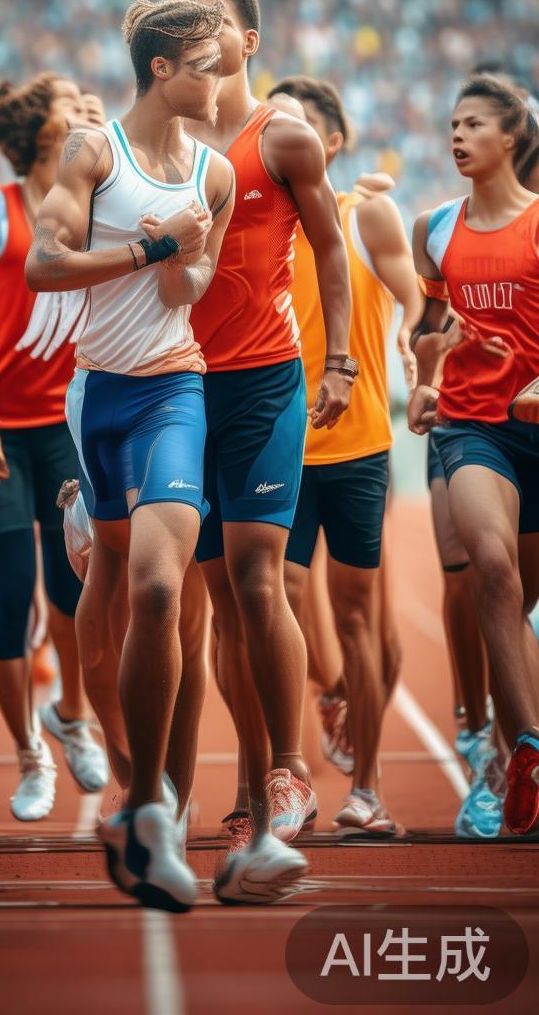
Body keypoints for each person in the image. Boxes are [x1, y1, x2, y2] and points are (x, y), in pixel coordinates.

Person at [25, 0, 234, 912]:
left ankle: (154, 807)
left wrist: (181, 256)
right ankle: (118, 766)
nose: (222, 81)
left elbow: (189, 286)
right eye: (208, 66)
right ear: (163, 69)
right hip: (95, 398)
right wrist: (154, 245)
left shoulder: (215, 175)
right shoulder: (92, 150)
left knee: (159, 586)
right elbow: (44, 266)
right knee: (104, 594)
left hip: (173, 390)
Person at [163, 0, 353, 902]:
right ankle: (245, 788)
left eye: (211, 22)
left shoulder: (282, 135)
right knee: (209, 600)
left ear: (248, 40)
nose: (196, 37)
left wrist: (345, 360)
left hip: (264, 385)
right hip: (174, 390)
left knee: (254, 577)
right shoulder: (156, 142)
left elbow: (328, 248)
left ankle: (286, 768)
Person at [0, 74, 110, 819]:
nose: (83, 109)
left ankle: (72, 717)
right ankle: (27, 753)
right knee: (12, 594)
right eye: (68, 104)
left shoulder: (96, 203)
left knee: (77, 588)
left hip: (69, 430)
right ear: (40, 130)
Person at [267, 75, 420, 835]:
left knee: (359, 618)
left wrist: (411, 328)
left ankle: (368, 788)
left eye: (293, 125)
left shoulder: (366, 215)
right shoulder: (259, 222)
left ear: (327, 141)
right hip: (280, 447)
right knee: (284, 597)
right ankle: (293, 767)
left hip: (359, 447)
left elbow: (419, 293)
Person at [408, 74, 539, 837]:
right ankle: (526, 751)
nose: (458, 137)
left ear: (512, 139)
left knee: (515, 605)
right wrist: (426, 381)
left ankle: (501, 751)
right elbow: (430, 328)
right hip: (473, 428)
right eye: (453, 124)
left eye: (475, 125)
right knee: (491, 565)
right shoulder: (436, 228)